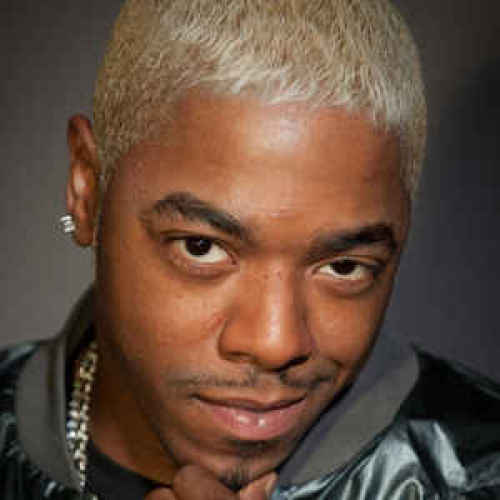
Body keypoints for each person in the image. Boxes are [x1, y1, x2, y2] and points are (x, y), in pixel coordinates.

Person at [1, 0, 500, 499]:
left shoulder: (475, 474)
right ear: (87, 190)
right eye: (201, 248)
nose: (274, 343)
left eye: (345, 267)